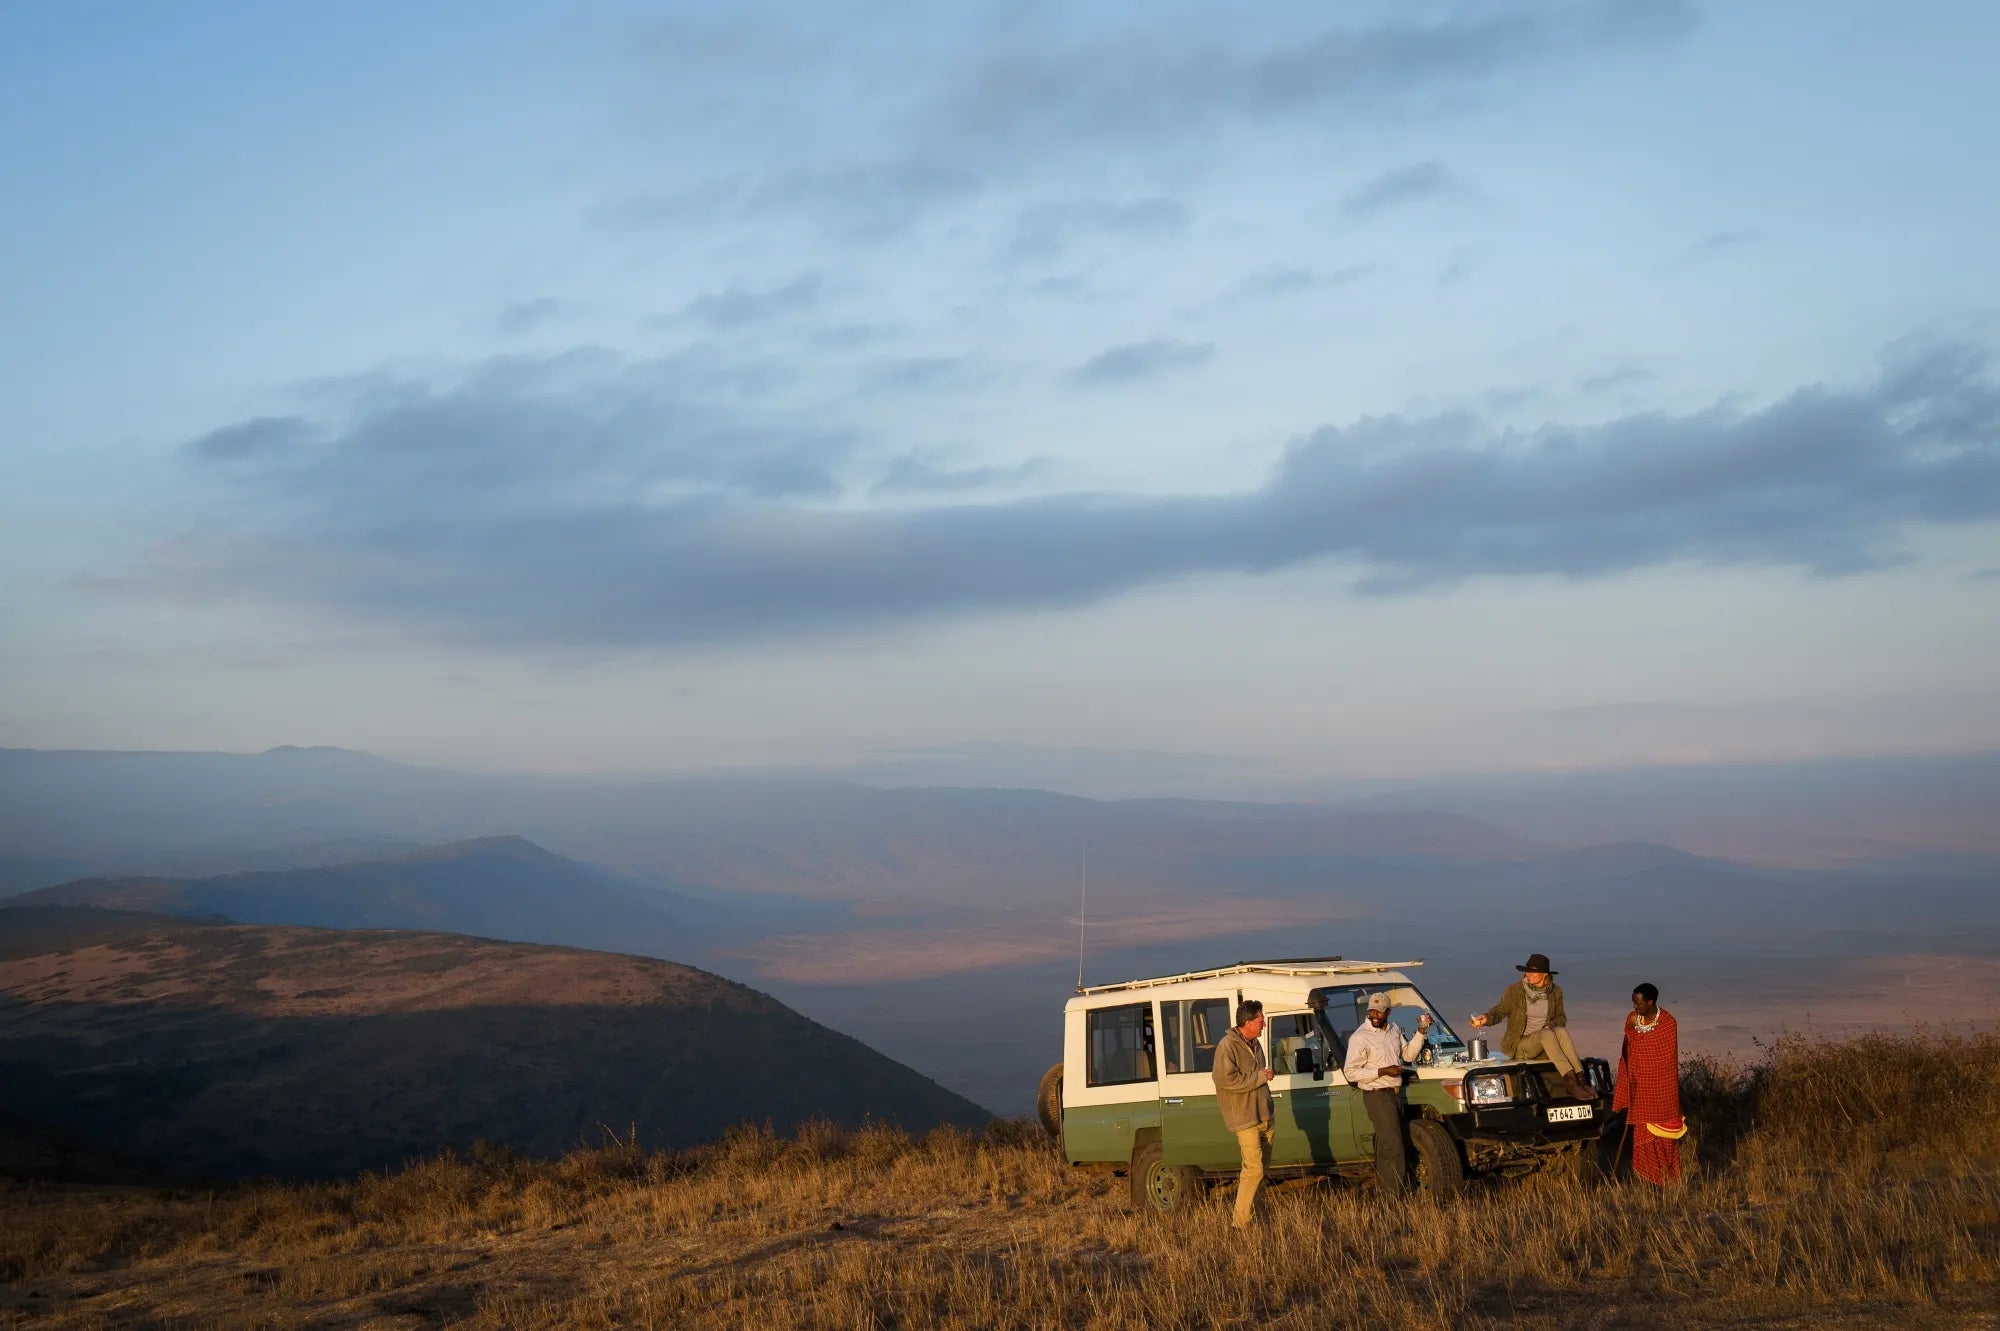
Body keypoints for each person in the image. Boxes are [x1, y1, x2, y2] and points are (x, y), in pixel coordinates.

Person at [1469, 953, 1597, 1100]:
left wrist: (1550, 1025)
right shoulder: (1514, 991)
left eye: (1532, 972)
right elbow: (1500, 1010)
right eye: (1526, 971)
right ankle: (1570, 1081)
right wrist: (1486, 1018)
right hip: (1521, 1045)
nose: (1527, 974)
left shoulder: (1555, 992)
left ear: (1544, 975)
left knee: (1560, 1030)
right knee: (1546, 1034)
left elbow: (1561, 1018)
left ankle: (1580, 1080)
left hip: (1544, 1044)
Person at [1342, 991, 1431, 1197]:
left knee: (1385, 1146)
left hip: (1394, 1093)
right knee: (1394, 1146)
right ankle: (1396, 1196)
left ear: (1388, 1012)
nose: (1374, 1015)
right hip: (1376, 1094)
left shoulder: (1393, 1030)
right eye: (1371, 1011)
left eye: (1379, 1011)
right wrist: (1382, 1071)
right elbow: (1350, 1072)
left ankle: (1385, 1196)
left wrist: (1421, 1031)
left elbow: (1408, 1055)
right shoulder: (1360, 1037)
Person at [1613, 983, 1686, 1184]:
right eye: (1633, 1003)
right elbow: (1628, 1049)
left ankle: (1667, 1180)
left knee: (1665, 1139)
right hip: (1641, 1089)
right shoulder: (1632, 1019)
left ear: (1650, 1002)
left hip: (1662, 1089)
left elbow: (1665, 1058)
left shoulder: (1668, 1022)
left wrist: (1643, 1062)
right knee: (1642, 1136)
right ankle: (1650, 1180)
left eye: (1638, 1004)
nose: (1635, 1007)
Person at [1212, 998, 1275, 1228]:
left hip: (1264, 1114)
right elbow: (1224, 1079)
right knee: (1253, 1168)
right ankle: (1240, 1222)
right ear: (1247, 1022)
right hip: (1245, 1117)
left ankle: (1258, 1215)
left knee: (1262, 1170)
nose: (1264, 1024)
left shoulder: (1255, 1043)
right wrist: (1260, 1077)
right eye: (1261, 1020)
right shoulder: (1227, 1046)